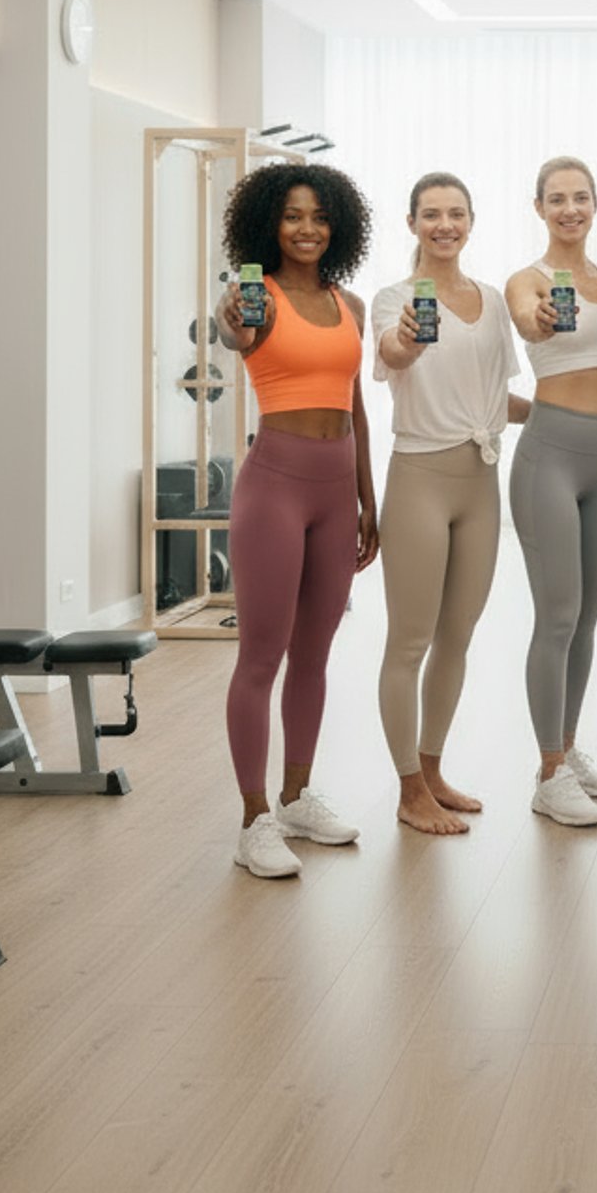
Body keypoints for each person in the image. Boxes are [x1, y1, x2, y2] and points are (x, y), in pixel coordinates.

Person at [215, 163, 378, 879]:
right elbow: (237, 339)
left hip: (337, 489)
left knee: (314, 656)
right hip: (275, 487)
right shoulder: (254, 300)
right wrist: (233, 327)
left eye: (317, 216)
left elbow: (355, 404)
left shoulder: (353, 305)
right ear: (267, 227)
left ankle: (296, 794)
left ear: (335, 224)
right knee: (261, 657)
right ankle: (253, 820)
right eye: (291, 216)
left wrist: (369, 496)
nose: (306, 228)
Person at [371, 172, 527, 835]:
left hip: (481, 481)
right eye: (431, 214)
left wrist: (574, 417)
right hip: (419, 481)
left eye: (455, 213)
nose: (444, 225)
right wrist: (409, 337)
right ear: (411, 223)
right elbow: (391, 353)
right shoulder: (394, 299)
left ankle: (432, 771)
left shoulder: (492, 302)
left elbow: (499, 398)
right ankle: (408, 789)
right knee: (409, 641)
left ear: (471, 221)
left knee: (456, 638)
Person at [505, 157, 597, 827]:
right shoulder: (527, 282)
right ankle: (549, 771)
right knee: (557, 615)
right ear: (539, 208)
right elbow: (530, 323)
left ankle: (569, 745)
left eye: (580, 198)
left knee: (587, 618)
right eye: (556, 199)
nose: (569, 209)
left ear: (595, 203)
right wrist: (541, 321)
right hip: (550, 457)